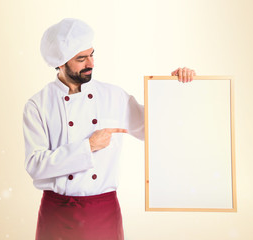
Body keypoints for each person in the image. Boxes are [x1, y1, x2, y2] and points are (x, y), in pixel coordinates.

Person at [23, 18, 195, 240]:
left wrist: (172, 88)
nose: (91, 63)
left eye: (92, 54)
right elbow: (35, 165)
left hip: (103, 211)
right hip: (57, 214)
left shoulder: (114, 97)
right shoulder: (38, 105)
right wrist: (88, 147)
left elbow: (153, 130)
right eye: (81, 59)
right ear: (60, 62)